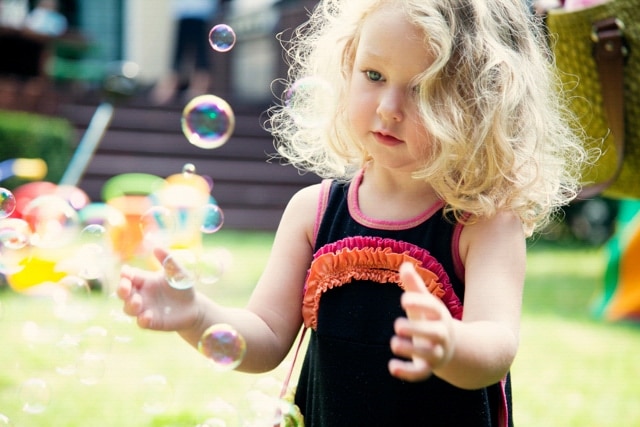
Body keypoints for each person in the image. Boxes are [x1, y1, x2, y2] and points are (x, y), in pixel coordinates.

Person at [119, 0, 590, 425]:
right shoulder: (314, 211)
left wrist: (450, 344)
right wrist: (196, 315)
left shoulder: (484, 223)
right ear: (348, 66)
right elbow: (262, 337)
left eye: (424, 88)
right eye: (374, 75)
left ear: (481, 103)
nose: (389, 108)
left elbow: (496, 347)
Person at [150, 0, 219, 105]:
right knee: (182, 52)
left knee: (200, 52)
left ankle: (198, 86)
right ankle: (175, 85)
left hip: (200, 10)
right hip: (185, 10)